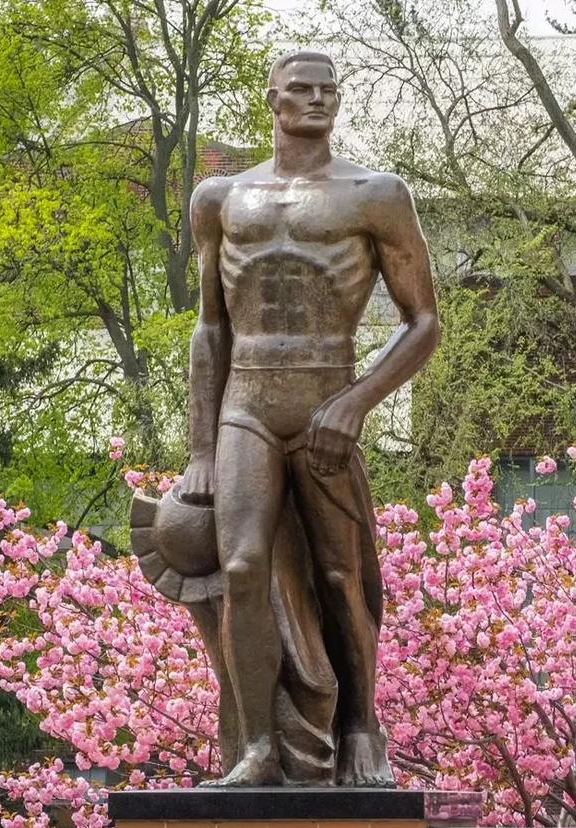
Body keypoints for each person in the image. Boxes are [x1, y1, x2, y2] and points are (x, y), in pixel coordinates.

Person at [177, 49, 440, 786]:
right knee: (240, 566)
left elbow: (423, 322)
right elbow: (209, 328)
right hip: (248, 406)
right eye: (301, 88)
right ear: (273, 99)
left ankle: (359, 729)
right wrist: (201, 443)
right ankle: (258, 747)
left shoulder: (375, 195)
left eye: (329, 89)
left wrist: (356, 402)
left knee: (339, 575)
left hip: (327, 401)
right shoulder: (221, 199)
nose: (317, 99)